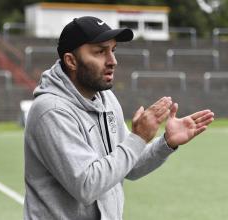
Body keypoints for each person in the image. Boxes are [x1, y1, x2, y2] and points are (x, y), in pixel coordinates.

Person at [23, 16, 214, 220]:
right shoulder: (51, 111)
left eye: (112, 50)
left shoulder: (106, 98)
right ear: (71, 61)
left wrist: (165, 143)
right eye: (100, 52)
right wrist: (138, 137)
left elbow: (128, 166)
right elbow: (87, 186)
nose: (112, 61)